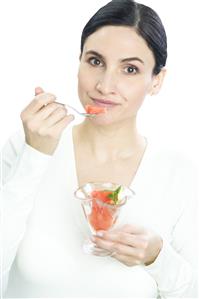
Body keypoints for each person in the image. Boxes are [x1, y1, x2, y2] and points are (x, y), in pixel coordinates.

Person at [1, 0, 198, 297]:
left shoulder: (179, 174)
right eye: (95, 61)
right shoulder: (28, 144)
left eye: (130, 69)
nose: (105, 85)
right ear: (78, 61)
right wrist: (35, 156)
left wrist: (158, 259)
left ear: (156, 81)